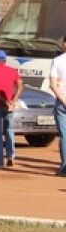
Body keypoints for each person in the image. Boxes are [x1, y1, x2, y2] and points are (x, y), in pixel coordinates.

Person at [50, 36, 66, 177]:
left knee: (64, 135)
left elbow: (53, 84)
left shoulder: (57, 61)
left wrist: (62, 99)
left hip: (62, 102)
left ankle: (65, 166)